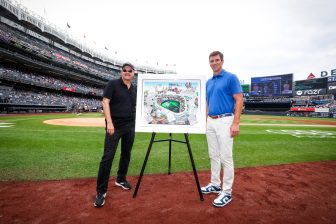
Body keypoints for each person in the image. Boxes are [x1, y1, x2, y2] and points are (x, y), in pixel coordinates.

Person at [201, 51, 243, 207]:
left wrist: (236, 123)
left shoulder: (231, 77)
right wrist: (204, 122)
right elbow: (207, 103)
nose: (214, 63)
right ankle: (215, 184)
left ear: (222, 61)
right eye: (211, 60)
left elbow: (239, 100)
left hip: (226, 120)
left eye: (217, 60)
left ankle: (226, 192)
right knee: (213, 155)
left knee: (226, 157)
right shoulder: (208, 82)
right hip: (211, 121)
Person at [94, 62, 137, 208]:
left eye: (129, 71)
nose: (127, 72)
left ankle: (121, 178)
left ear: (133, 73)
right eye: (124, 70)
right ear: (121, 72)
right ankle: (101, 191)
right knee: (108, 157)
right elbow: (105, 102)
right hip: (115, 126)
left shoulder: (135, 88)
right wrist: (109, 123)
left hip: (130, 126)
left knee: (126, 153)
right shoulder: (113, 84)